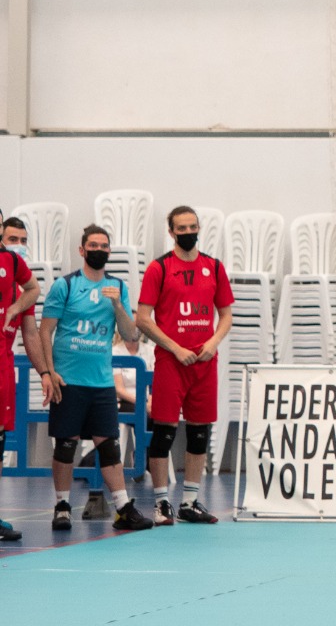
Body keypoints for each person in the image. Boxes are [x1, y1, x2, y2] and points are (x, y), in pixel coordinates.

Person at [39, 226, 152, 531]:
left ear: (109, 251)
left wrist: (117, 305)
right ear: (82, 249)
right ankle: (62, 506)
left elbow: (130, 335)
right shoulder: (65, 286)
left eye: (104, 246)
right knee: (66, 445)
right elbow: (45, 331)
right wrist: (49, 371)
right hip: (69, 380)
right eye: (93, 245)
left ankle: (123, 508)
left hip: (101, 383)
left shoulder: (117, 287)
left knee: (109, 446)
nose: (99, 250)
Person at [135, 205, 234, 526]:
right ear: (171, 232)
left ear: (199, 228)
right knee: (164, 431)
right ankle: (161, 504)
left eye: (193, 227)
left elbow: (226, 315)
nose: (189, 232)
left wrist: (213, 342)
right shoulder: (159, 268)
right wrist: (175, 348)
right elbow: (143, 319)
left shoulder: (214, 267)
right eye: (182, 228)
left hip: (204, 361)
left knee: (199, 432)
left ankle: (190, 502)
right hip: (171, 360)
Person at [2, 216, 57, 542]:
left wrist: (45, 373)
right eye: (13, 239)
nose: (18, 246)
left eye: (23, 240)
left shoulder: (17, 285)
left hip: (3, 369)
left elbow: (31, 333)